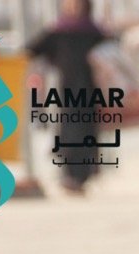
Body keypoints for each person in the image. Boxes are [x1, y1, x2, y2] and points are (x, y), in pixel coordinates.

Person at [27, 0, 111, 195]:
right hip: (66, 92)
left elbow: (111, 53)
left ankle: (82, 176)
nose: (72, 8)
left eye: (76, 4)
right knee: (69, 133)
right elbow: (33, 49)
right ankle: (70, 176)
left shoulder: (94, 33)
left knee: (86, 134)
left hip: (90, 91)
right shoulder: (58, 32)